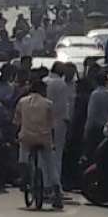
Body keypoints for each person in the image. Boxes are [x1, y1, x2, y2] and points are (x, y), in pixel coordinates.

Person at [13, 78, 60, 209]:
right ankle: (57, 193)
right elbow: (51, 125)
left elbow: (16, 121)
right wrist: (53, 142)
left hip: (26, 138)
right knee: (50, 166)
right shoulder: (48, 104)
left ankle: (24, 178)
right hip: (44, 138)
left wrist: (16, 135)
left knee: (23, 157)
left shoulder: (22, 102)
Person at [45, 62, 73, 195]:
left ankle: (45, 184)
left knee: (44, 155)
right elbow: (63, 106)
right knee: (57, 156)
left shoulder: (44, 81)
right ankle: (56, 186)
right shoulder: (61, 84)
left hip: (43, 122)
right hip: (58, 122)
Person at [83, 72, 108, 160]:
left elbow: (91, 115)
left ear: (95, 82)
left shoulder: (95, 94)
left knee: (92, 155)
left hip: (95, 130)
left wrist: (86, 130)